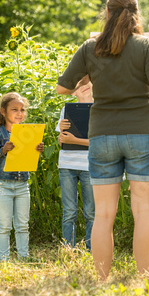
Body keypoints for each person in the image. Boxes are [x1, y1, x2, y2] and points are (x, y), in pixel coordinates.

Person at [56, 0, 149, 279]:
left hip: (102, 134)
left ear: (107, 13)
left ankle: (102, 279)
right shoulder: (145, 46)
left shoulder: (90, 46)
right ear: (135, 15)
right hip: (142, 133)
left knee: (104, 214)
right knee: (143, 211)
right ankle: (143, 276)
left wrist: (90, 77)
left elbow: (62, 87)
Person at [0, 92, 45, 261]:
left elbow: (26, 160)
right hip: (2, 185)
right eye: (15, 109)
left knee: (22, 225)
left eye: (22, 110)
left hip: (22, 185)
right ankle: (4, 259)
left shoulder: (28, 134)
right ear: (3, 111)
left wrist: (36, 151)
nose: (20, 113)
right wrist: (3, 151)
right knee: (4, 225)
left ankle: (23, 257)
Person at [56, 76, 95, 251]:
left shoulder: (100, 109)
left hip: (89, 166)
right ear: (72, 91)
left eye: (86, 83)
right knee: (69, 212)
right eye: (78, 85)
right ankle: (68, 249)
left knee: (91, 213)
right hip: (67, 164)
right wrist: (62, 134)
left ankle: (91, 248)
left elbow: (100, 141)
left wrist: (75, 139)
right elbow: (61, 141)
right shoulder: (66, 109)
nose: (83, 87)